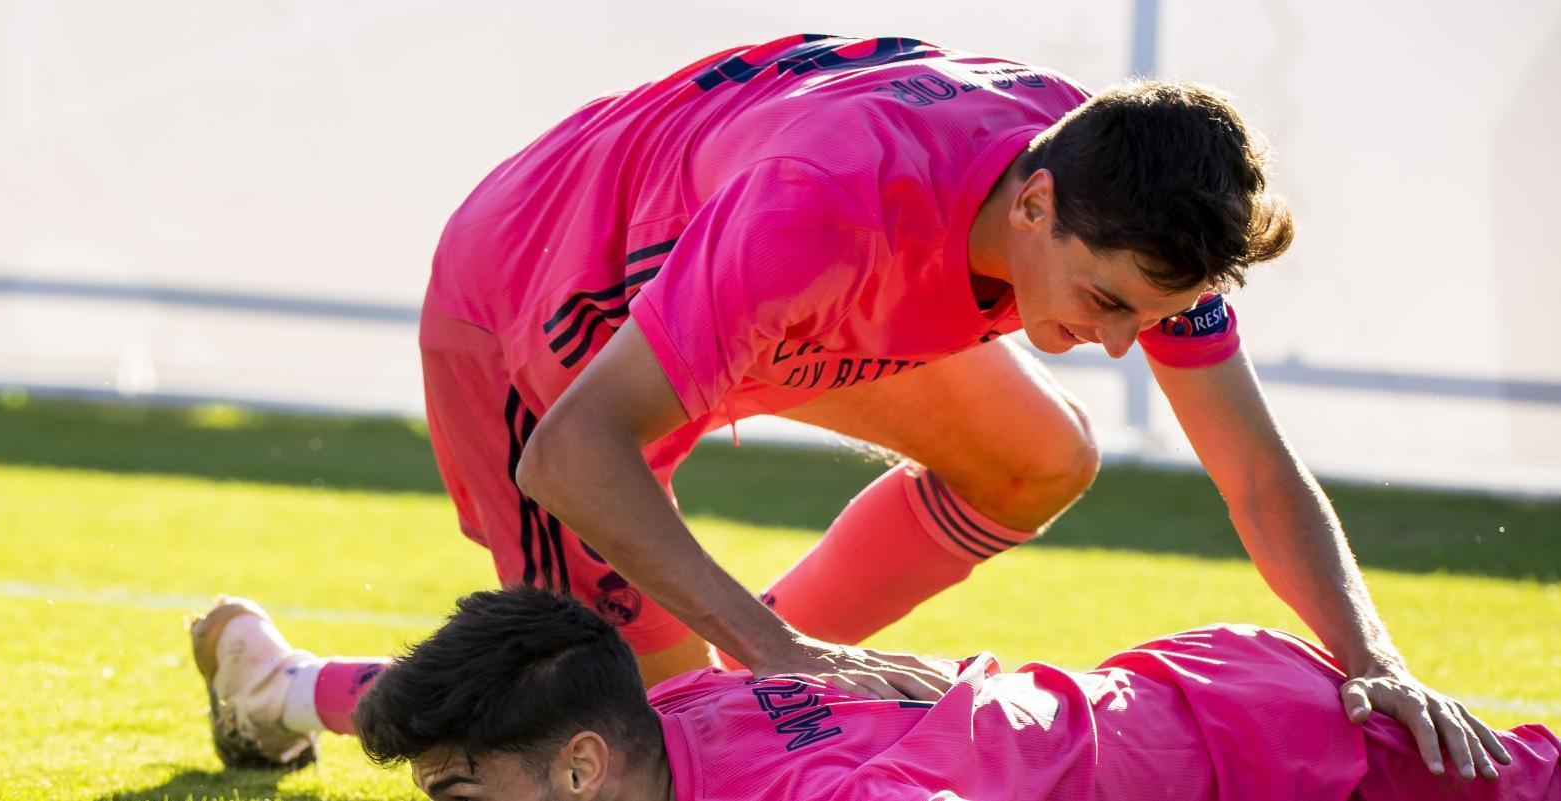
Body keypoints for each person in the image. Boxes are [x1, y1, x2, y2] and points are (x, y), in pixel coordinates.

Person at [189, 33, 1510, 781]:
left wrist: (1371, 658)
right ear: (1034, 206)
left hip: (762, 293)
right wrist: (770, 651)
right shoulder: (830, 208)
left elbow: (1258, 475)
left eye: (1144, 320)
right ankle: (285, 687)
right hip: (545, 313)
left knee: (1040, 454)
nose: (1117, 347)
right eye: (1105, 307)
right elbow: (575, 452)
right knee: (628, 739)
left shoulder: (1121, 194)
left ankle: (750, 673)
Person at [349, 586, 1560, 801]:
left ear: (578, 766)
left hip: (1288, 749)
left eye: (460, 798)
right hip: (1188, 690)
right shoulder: (647, 720)